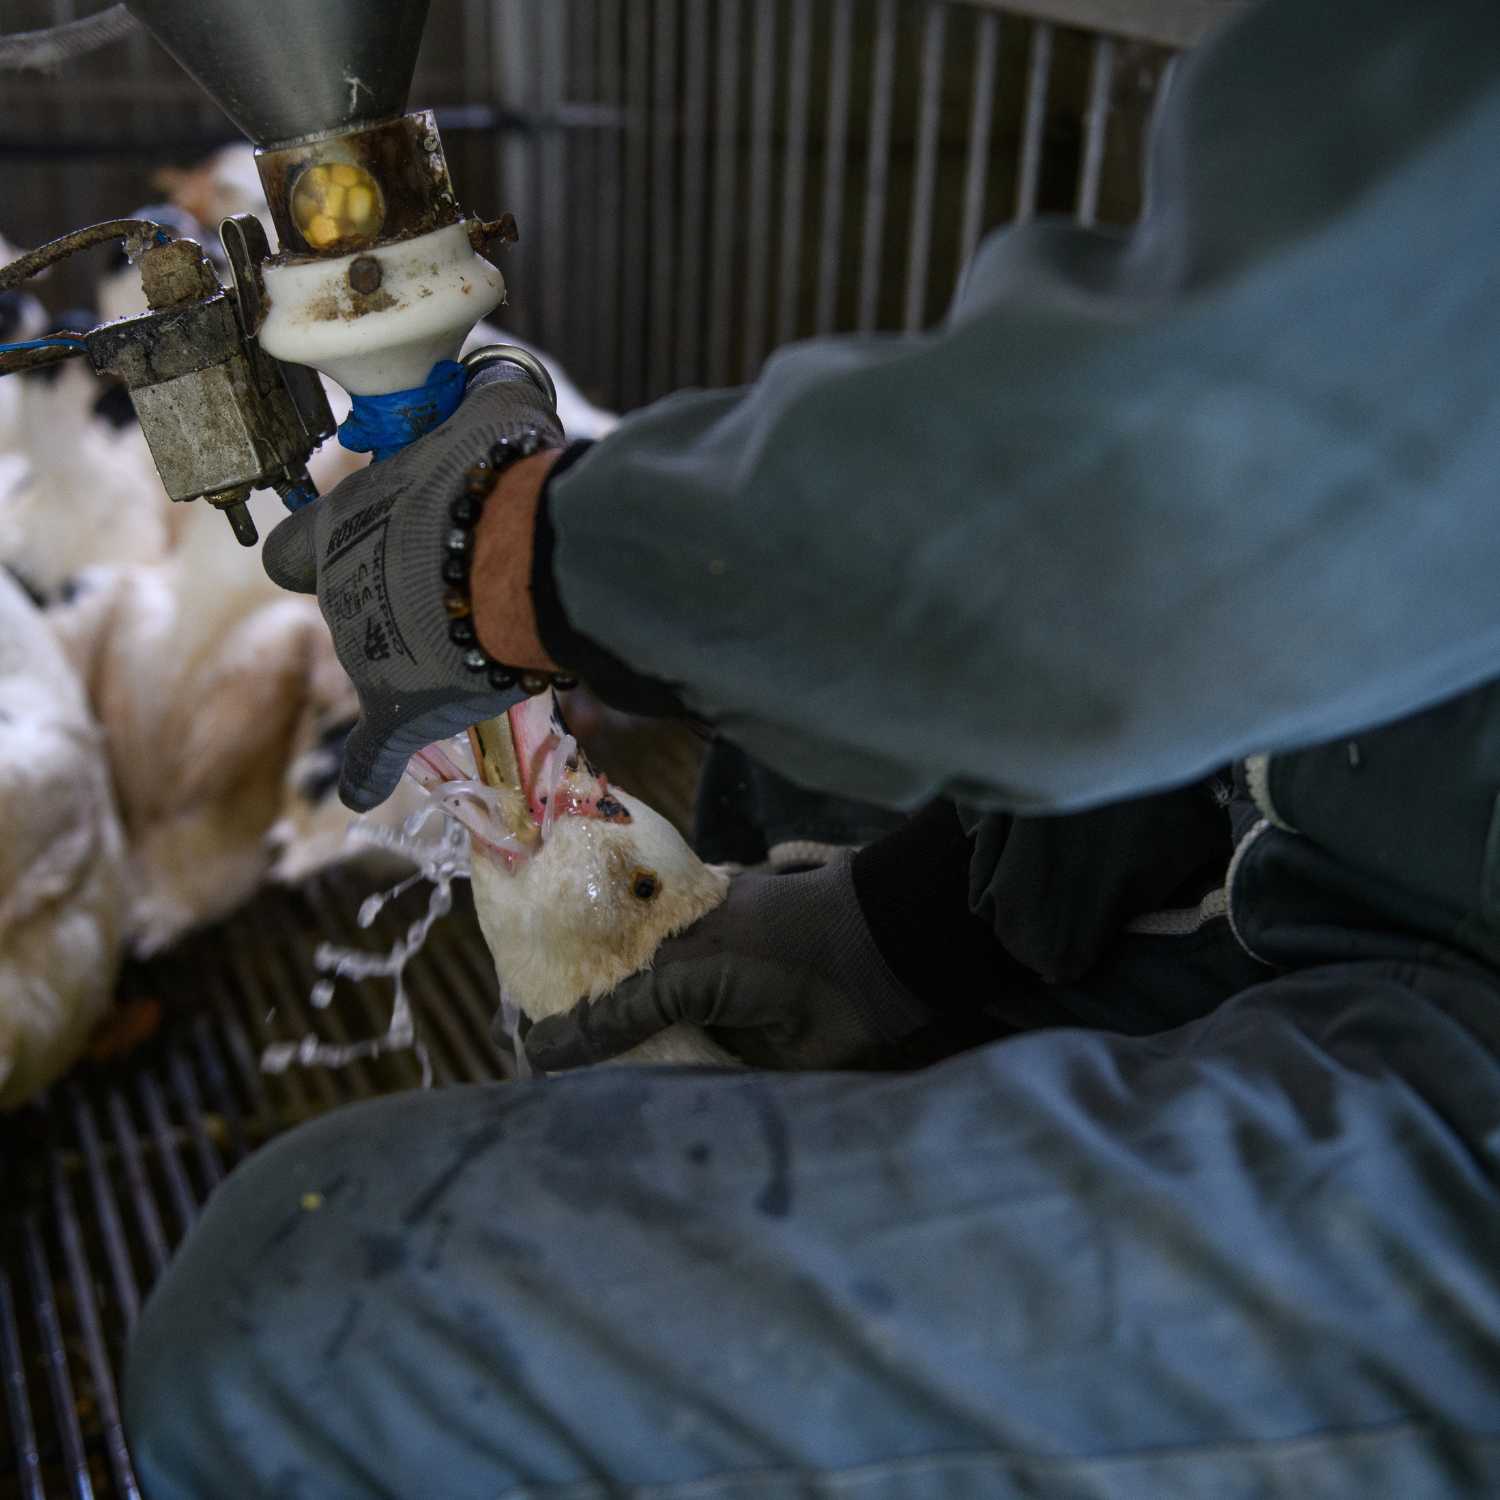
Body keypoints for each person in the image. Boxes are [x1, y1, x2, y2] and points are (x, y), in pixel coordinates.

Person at [125, 0, 1500, 1494]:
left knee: (289, 1322)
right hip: (1384, 850)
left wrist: (508, 560)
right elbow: (1352, 559)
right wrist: (912, 925)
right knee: (807, 758)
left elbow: (1206, 504)